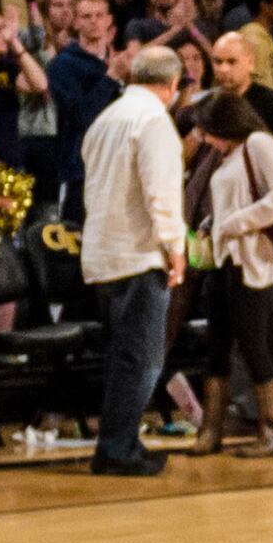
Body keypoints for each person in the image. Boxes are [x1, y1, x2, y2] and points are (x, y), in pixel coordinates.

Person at [76, 43, 187, 476]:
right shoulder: (154, 120)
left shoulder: (107, 117)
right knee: (142, 358)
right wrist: (175, 246)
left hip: (104, 251)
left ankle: (120, 442)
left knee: (125, 356)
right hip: (139, 253)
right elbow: (159, 191)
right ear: (174, 83)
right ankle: (117, 448)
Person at [190, 88, 273, 455]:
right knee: (216, 346)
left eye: (207, 128)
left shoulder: (258, 143)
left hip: (251, 262)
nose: (203, 137)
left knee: (257, 346)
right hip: (223, 262)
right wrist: (213, 221)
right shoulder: (229, 153)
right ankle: (211, 430)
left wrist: (239, 222)